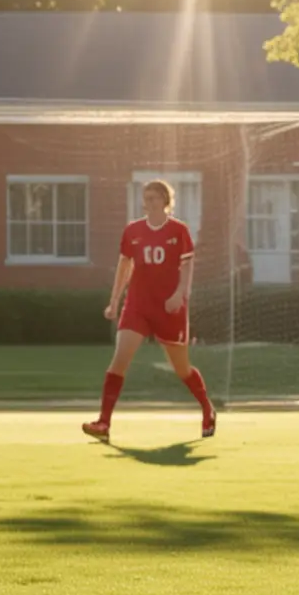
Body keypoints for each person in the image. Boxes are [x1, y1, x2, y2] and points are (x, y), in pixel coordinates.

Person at [84, 179, 216, 440]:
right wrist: (114, 300)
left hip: (169, 308)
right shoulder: (133, 230)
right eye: (146, 198)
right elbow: (125, 266)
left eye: (154, 198)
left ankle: (207, 409)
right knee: (120, 359)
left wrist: (180, 294)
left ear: (166, 202)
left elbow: (187, 266)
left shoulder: (178, 231)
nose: (148, 202)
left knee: (182, 369)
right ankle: (103, 423)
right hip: (138, 305)